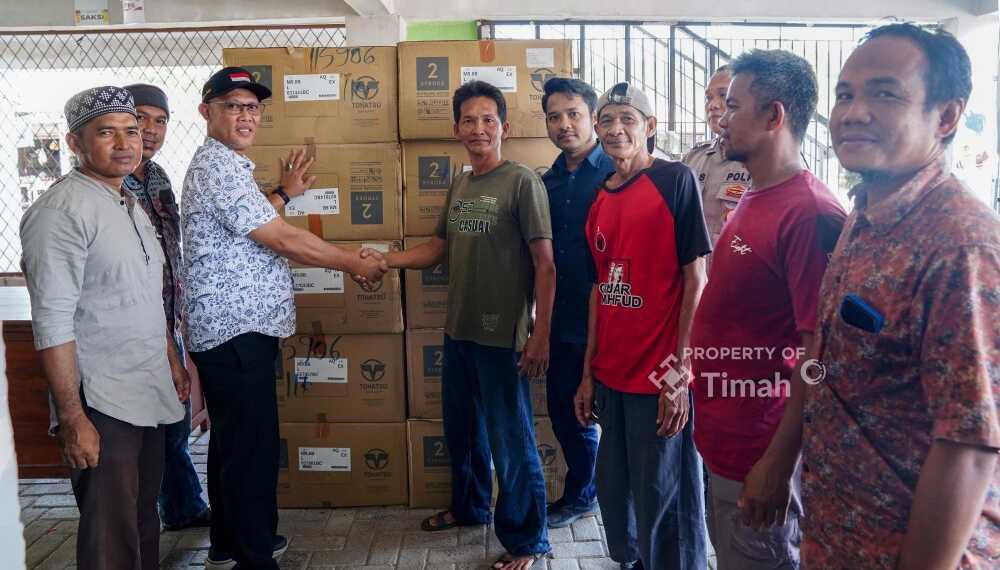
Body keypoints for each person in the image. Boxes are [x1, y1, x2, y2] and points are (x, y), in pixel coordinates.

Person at [739, 23, 1000, 569]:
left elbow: (970, 446)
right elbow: (824, 357)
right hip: (835, 532)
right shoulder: (866, 211)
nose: (853, 112)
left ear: (946, 117)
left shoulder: (960, 243)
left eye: (885, 93)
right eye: (845, 94)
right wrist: (780, 459)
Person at [182, 67, 386, 570]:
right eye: (232, 105)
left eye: (252, 107)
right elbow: (282, 238)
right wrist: (351, 262)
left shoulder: (229, 166)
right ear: (206, 111)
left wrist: (286, 191)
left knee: (233, 440)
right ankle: (254, 556)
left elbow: (249, 222)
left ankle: (229, 543)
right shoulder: (217, 167)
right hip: (235, 330)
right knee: (251, 447)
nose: (245, 115)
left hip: (235, 329)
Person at [378, 80, 554, 570]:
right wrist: (386, 259)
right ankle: (471, 507)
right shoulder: (461, 182)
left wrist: (539, 333)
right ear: (456, 128)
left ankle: (529, 539)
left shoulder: (521, 182)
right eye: (469, 120)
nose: (479, 129)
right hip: (459, 332)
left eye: (488, 120)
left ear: (504, 127)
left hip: (503, 338)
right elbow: (438, 247)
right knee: (464, 432)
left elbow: (545, 264)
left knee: (511, 439)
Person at [687, 50, 846, 570]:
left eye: (732, 105)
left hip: (760, 448)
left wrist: (778, 464)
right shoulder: (755, 193)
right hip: (725, 436)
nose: (720, 115)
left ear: (774, 116)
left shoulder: (809, 214)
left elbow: (818, 355)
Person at [20, 86, 188, 570]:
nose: (124, 143)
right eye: (106, 133)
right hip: (101, 401)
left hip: (147, 387)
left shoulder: (128, 203)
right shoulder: (61, 212)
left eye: (131, 131)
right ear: (74, 143)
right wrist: (73, 418)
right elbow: (50, 321)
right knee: (110, 537)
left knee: (141, 523)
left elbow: (145, 297)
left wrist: (173, 361)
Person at [573, 82, 712, 570]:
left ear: (649, 128)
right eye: (607, 120)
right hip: (611, 377)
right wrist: (588, 373)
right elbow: (598, 292)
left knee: (666, 505)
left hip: (659, 381)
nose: (615, 129)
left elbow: (697, 280)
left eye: (627, 119)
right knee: (617, 499)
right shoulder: (598, 198)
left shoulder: (675, 181)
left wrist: (680, 377)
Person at [120, 83, 211, 532]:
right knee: (140, 429)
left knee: (175, 420)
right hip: (129, 326)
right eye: (142, 118)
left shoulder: (156, 177)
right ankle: (138, 524)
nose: (151, 130)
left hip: (167, 318)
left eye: (160, 121)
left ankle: (183, 506)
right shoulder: (107, 181)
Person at [538, 77, 611, 529]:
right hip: (562, 321)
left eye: (573, 114)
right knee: (566, 413)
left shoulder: (616, 175)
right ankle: (583, 493)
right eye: (554, 116)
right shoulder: (545, 182)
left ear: (592, 120)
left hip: (612, 319)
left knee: (614, 419)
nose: (564, 124)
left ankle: (617, 499)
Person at [681, 65, 752, 251]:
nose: (713, 104)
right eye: (709, 97)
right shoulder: (694, 157)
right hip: (694, 273)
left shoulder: (763, 160)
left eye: (723, 95)